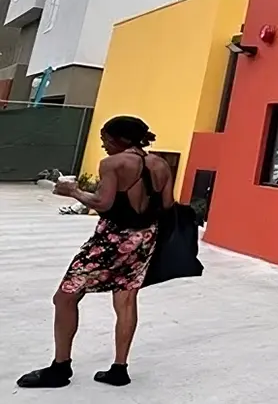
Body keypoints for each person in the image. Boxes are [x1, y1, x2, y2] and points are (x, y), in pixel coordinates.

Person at [18, 116, 174, 389]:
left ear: (120, 140)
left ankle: (60, 368)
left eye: (105, 140)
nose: (103, 145)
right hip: (144, 239)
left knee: (64, 298)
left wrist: (73, 191)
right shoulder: (160, 164)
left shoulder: (113, 164)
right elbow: (168, 204)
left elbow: (103, 203)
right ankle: (119, 369)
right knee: (126, 300)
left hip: (111, 241)